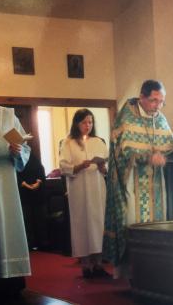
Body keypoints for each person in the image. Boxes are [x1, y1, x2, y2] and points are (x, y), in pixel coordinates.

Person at [103, 80, 173, 277]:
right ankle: (135, 272)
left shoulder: (161, 118)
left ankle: (157, 270)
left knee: (160, 224)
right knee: (134, 223)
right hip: (133, 182)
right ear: (142, 97)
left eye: (162, 102)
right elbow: (125, 150)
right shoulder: (127, 115)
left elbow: (169, 148)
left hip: (158, 185)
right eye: (154, 100)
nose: (158, 106)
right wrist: (148, 157)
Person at [0, 81, 31, 297]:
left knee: (5, 227)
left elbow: (24, 147)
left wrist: (18, 150)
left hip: (5, 180)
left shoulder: (7, 116)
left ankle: (9, 281)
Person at [59, 108, 109, 279]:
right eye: (84, 122)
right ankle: (86, 265)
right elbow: (63, 166)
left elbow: (105, 168)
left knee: (98, 223)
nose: (88, 125)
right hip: (78, 188)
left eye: (90, 122)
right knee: (82, 224)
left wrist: (102, 166)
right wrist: (80, 166)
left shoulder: (98, 142)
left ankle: (99, 264)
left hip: (96, 188)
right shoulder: (68, 143)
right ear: (76, 123)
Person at [17, 153, 49, 250]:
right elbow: (15, 173)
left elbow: (40, 169)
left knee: (41, 219)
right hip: (23, 193)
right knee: (26, 220)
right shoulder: (16, 158)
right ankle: (29, 244)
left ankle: (43, 243)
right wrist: (26, 185)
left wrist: (38, 183)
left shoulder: (32, 156)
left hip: (37, 194)